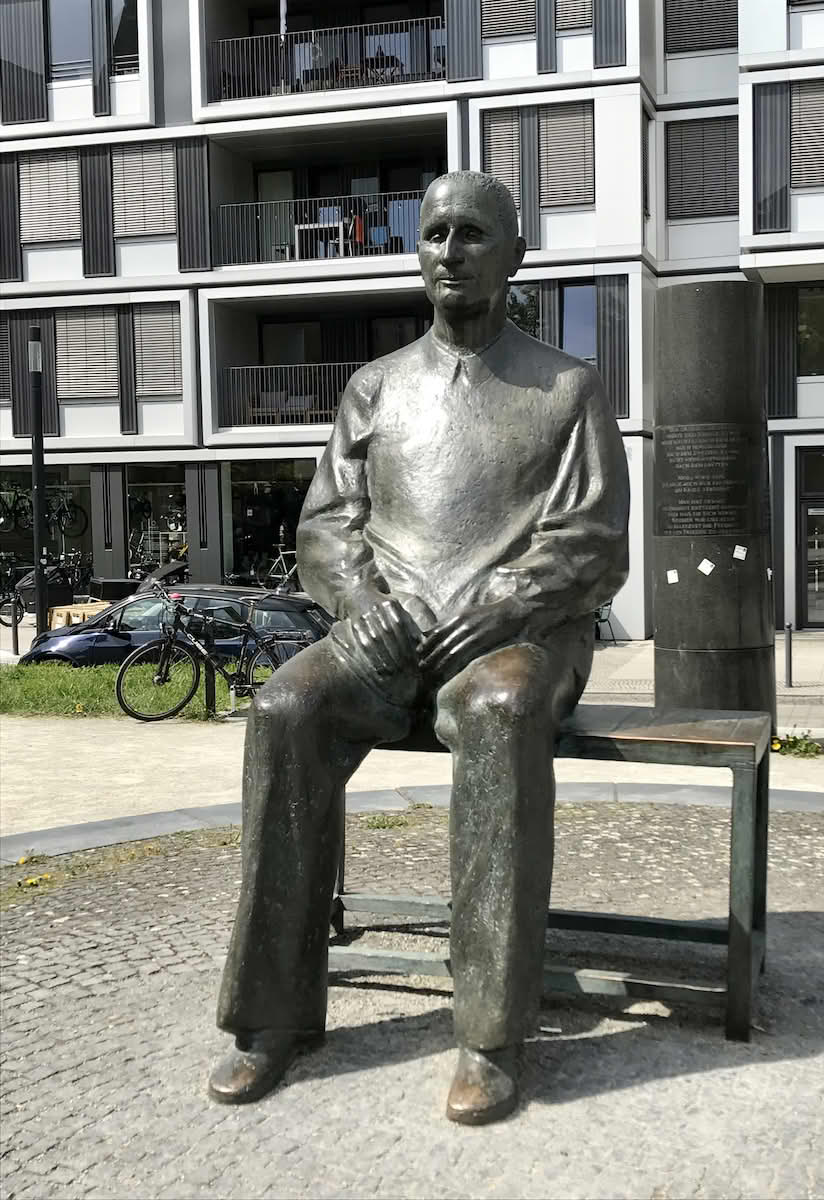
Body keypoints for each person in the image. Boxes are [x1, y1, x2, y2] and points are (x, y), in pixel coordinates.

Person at [209, 170, 630, 1125]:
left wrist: (508, 600)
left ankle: (489, 1033)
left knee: (499, 708)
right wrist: (361, 604)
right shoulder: (375, 387)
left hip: (516, 640)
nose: (450, 250)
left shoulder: (567, 386)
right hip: (389, 634)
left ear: (515, 255)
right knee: (285, 708)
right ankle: (271, 1017)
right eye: (435, 233)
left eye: (473, 233)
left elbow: (597, 537)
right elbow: (327, 525)